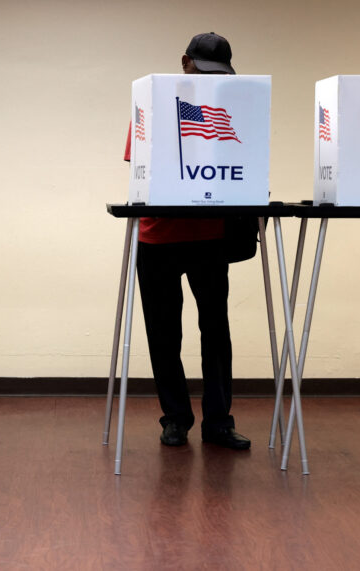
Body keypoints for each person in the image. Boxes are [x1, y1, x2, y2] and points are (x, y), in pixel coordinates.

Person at [123, 32, 251, 450]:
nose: (207, 79)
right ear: (184, 62)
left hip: (211, 234)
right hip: (158, 234)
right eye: (202, 69)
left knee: (216, 332)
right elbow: (139, 168)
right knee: (164, 333)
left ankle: (218, 421)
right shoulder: (153, 104)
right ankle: (175, 418)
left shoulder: (230, 105)